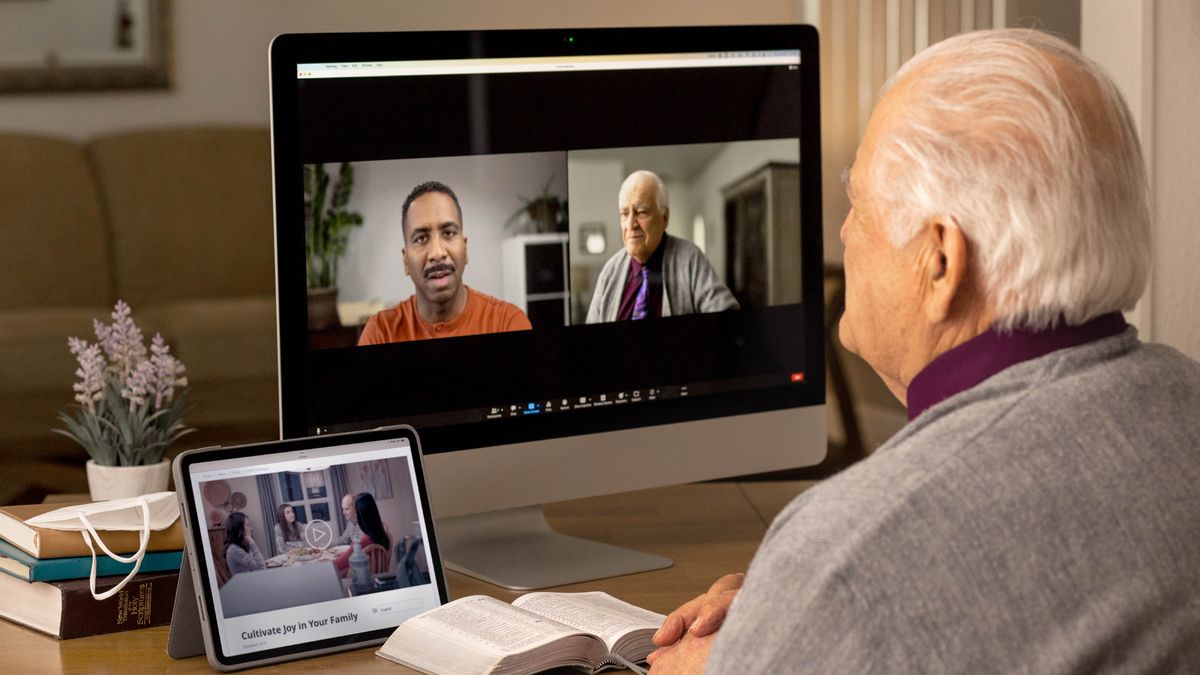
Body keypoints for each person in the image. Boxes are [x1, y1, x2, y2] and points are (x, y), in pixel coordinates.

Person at [646, 29, 1200, 673]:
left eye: (859, 205)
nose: (846, 232)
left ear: (941, 260)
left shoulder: (854, 553)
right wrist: (795, 614)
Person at [358, 180, 532, 344]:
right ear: (405, 261)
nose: (437, 253)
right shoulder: (380, 333)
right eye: (421, 238)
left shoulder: (508, 323)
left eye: (448, 233)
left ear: (465, 249)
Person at [585, 170, 738, 323]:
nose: (631, 224)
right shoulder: (610, 270)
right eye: (624, 214)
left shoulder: (690, 259)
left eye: (641, 212)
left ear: (664, 218)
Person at [334, 492, 391, 576]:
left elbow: (337, 565)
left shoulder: (361, 542)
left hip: (364, 579)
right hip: (379, 577)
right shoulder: (380, 534)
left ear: (359, 514)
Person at [223, 512, 266, 576]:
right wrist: (252, 543)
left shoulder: (241, 546)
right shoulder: (234, 550)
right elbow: (262, 569)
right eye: (248, 525)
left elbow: (257, 564)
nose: (251, 529)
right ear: (239, 529)